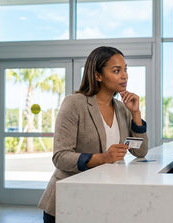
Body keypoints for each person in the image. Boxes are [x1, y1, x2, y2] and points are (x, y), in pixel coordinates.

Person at [38, 46, 148, 222]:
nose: (124, 75)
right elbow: (60, 157)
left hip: (104, 200)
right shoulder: (74, 103)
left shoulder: (122, 108)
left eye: (125, 69)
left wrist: (136, 113)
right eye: (116, 71)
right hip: (69, 201)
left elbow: (140, 152)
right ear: (98, 75)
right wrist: (102, 158)